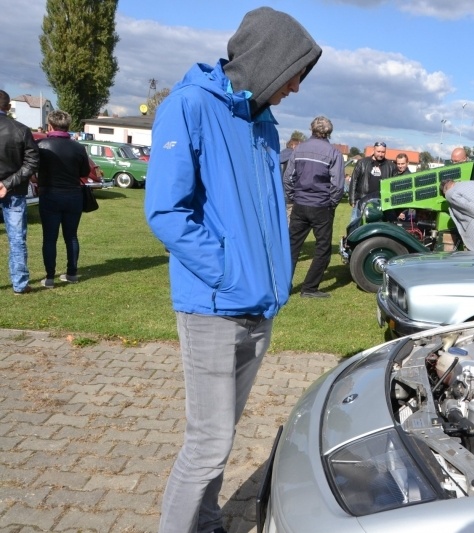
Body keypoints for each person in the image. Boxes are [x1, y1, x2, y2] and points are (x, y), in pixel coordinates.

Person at [143, 7, 321, 533]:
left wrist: (269, 278)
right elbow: (166, 212)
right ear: (267, 60)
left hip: (259, 306)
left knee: (222, 433)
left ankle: (207, 521)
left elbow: (266, 211)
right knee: (208, 442)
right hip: (214, 307)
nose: (294, 87)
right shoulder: (189, 106)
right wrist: (228, 272)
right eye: (293, 72)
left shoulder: (264, 121)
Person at [284, 116, 344, 298]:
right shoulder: (333, 153)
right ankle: (309, 288)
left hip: (300, 204)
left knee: (292, 247)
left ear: (311, 129)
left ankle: (282, 286)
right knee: (323, 248)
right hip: (321, 205)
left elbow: (288, 178)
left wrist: (293, 198)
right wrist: (331, 203)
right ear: (329, 133)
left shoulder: (298, 149)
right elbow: (338, 185)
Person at [35, 110, 91, 287]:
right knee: (71, 236)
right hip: (73, 195)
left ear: (50, 125)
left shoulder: (40, 144)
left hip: (49, 194)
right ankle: (72, 273)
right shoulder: (79, 147)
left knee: (49, 238)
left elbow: (32, 167)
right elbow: (84, 172)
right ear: (68, 126)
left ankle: (50, 277)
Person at [0, 89, 38, 295]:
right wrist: (8, 183)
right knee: (16, 238)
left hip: (11, 188)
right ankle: (20, 284)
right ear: (8, 107)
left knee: (17, 238)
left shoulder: (21, 130)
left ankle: (21, 283)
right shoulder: (21, 130)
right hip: (14, 189)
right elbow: (32, 162)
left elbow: (32, 160)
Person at [348, 141, 395, 221]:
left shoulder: (390, 166)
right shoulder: (362, 163)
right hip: (361, 200)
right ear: (374, 150)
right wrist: (352, 199)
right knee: (355, 225)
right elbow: (354, 180)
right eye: (378, 151)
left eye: (383, 152)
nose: (380, 154)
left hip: (380, 202)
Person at [280, 137, 300, 222]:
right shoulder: (293, 157)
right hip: (289, 193)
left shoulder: (278, 156)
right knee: (290, 220)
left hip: (278, 192)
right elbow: (290, 177)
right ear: (294, 146)